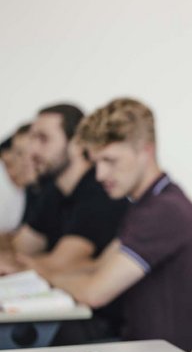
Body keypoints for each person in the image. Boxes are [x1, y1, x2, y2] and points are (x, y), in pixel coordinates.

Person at [31, 97, 192, 352]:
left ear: (146, 151)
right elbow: (97, 268)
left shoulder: (164, 210)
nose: (100, 175)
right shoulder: (147, 202)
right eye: (96, 162)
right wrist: (46, 273)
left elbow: (93, 293)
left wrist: (43, 274)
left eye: (110, 160)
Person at [1, 104, 127, 274]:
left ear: (77, 144)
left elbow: (61, 264)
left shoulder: (101, 193)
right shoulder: (53, 191)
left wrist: (18, 265)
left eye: (43, 139)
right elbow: (21, 248)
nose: (32, 150)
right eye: (32, 139)